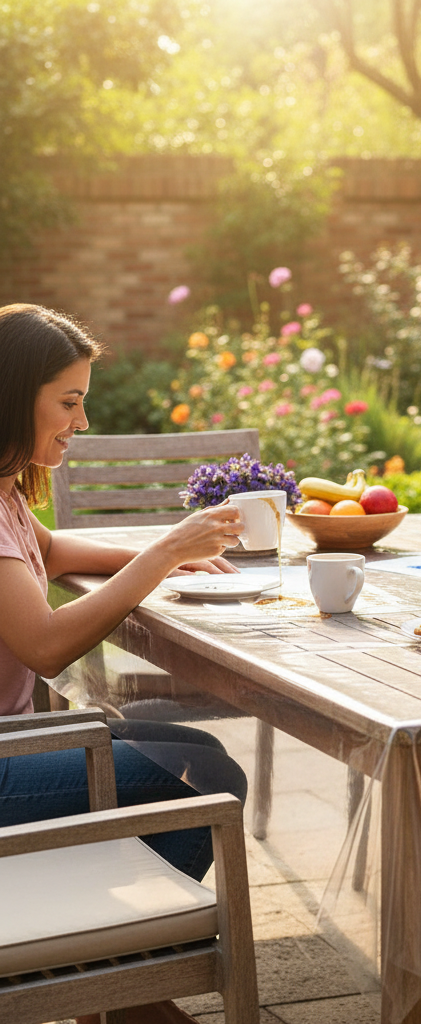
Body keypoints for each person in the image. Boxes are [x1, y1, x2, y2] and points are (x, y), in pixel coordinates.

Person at [0, 303, 249, 1024]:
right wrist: (165, 555)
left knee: (207, 761)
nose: (81, 421)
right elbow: (44, 644)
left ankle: (112, 982)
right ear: (14, 395)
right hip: (5, 758)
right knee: (188, 786)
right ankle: (114, 984)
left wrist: (177, 552)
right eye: (68, 402)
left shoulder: (8, 487)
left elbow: (49, 552)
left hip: (19, 741)